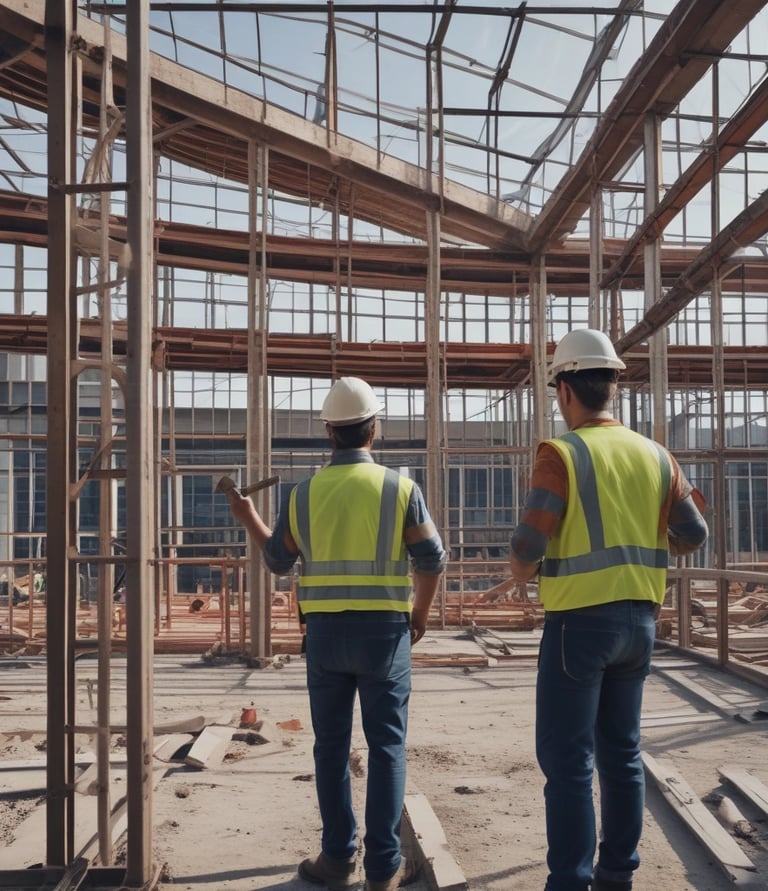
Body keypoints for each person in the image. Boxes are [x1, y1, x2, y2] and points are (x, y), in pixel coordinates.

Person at [225, 376, 447, 891]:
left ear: (329, 431)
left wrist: (249, 515)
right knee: (387, 747)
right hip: (385, 636)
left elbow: (279, 562)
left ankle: (336, 858)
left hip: (324, 636)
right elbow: (432, 559)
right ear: (376, 428)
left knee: (329, 747)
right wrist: (421, 614)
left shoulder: (304, 495)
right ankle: (382, 868)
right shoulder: (400, 489)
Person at [508, 329, 708, 891]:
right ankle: (617, 873)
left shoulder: (561, 453)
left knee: (568, 761)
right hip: (639, 624)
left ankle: (570, 881)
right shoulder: (656, 454)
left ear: (565, 390)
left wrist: (522, 575)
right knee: (621, 752)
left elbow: (528, 546)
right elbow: (694, 533)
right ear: (611, 386)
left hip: (578, 628)